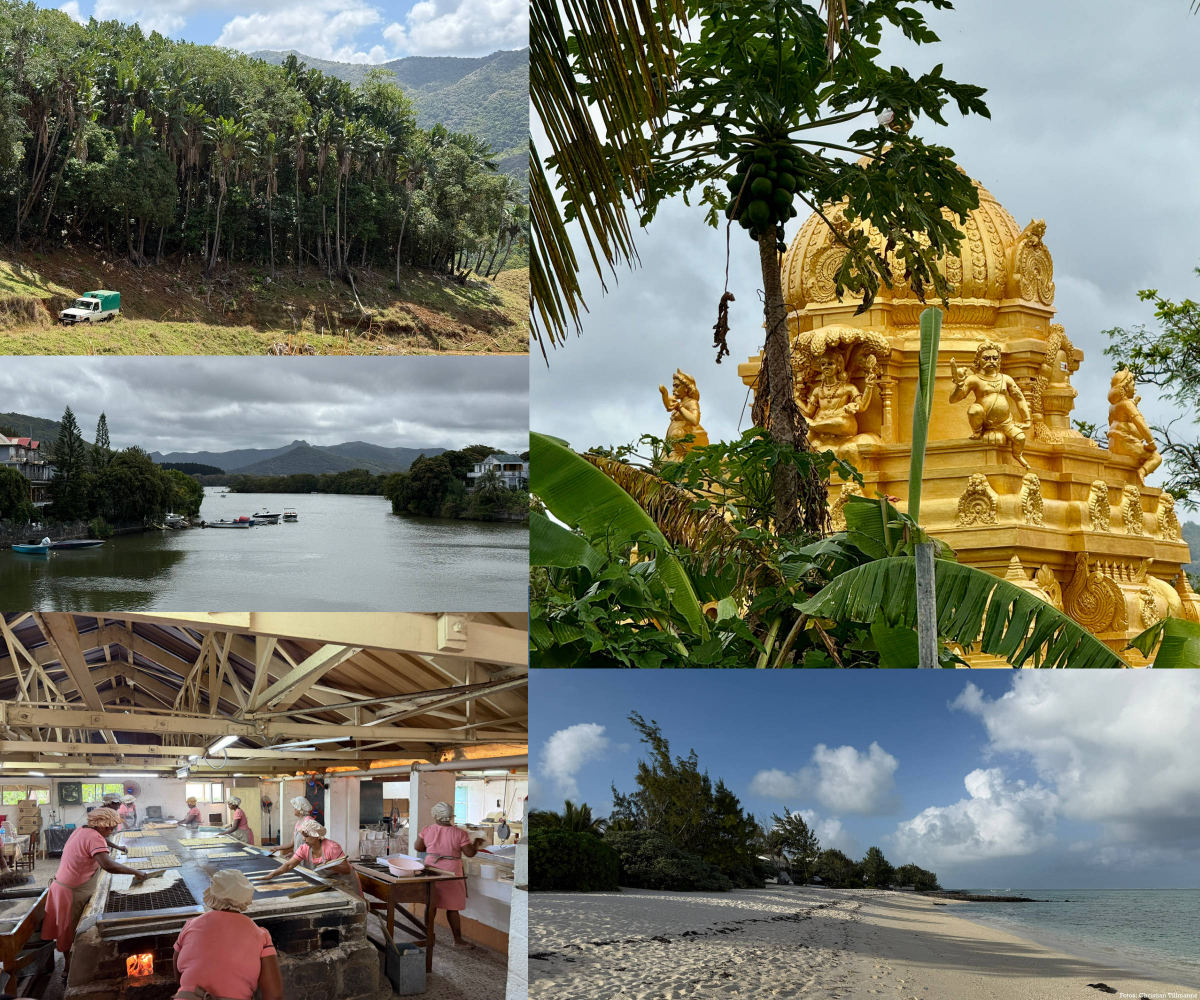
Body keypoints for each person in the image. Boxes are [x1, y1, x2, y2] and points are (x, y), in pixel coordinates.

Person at [42, 808, 147, 970]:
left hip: (61, 886)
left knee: (66, 929)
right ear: (102, 825)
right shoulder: (95, 837)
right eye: (110, 828)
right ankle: (70, 968)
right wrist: (136, 872)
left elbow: (100, 848)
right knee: (68, 931)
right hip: (71, 892)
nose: (111, 832)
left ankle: (70, 964)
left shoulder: (81, 830)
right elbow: (107, 864)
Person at [173, 870, 283, 1000]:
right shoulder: (260, 934)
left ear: (212, 894)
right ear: (245, 898)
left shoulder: (190, 925)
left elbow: (178, 973)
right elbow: (274, 996)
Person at [413, 801, 486, 948]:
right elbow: (470, 853)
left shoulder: (427, 830)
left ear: (435, 815)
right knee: (452, 907)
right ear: (451, 816)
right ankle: (458, 940)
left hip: (431, 868)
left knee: (431, 903)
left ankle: (429, 935)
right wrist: (476, 843)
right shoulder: (460, 833)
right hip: (452, 871)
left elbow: (418, 847)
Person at [262, 818, 362, 896]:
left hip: (345, 882)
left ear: (316, 836)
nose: (303, 839)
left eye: (306, 836)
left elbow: (346, 869)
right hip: (329, 881)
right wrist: (273, 874)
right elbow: (289, 865)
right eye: (303, 836)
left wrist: (333, 867)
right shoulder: (304, 848)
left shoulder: (332, 847)